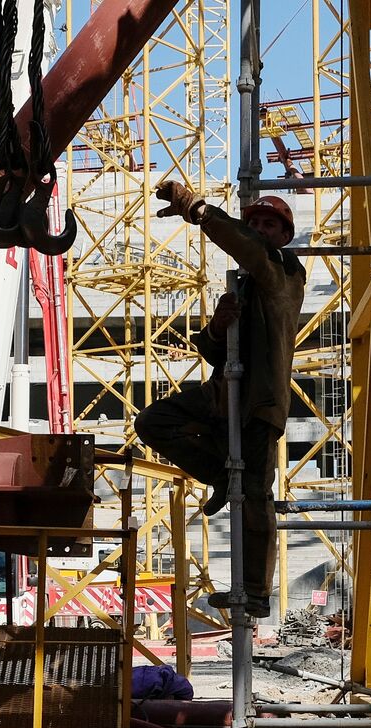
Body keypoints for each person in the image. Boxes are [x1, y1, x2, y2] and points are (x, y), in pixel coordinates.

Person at [134, 183, 306, 619]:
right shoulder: (247, 285)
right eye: (256, 222)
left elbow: (246, 246)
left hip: (259, 403)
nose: (261, 230)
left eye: (270, 224)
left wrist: (200, 211)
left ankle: (254, 590)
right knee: (154, 422)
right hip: (223, 395)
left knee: (255, 494)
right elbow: (213, 351)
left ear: (284, 236)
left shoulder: (283, 272)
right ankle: (218, 477)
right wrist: (216, 328)